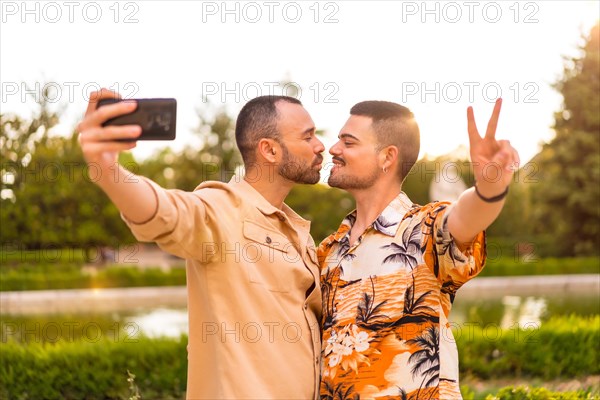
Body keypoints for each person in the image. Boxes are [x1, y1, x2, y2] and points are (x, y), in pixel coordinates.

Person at [77, 89, 325, 399]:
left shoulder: (298, 231)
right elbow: (163, 212)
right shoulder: (220, 209)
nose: (321, 146)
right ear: (270, 151)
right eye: (308, 137)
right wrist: (107, 170)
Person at [318, 99, 519, 399]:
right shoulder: (328, 252)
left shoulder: (424, 228)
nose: (333, 149)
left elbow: (465, 218)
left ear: (387, 156)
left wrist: (489, 188)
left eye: (348, 142)